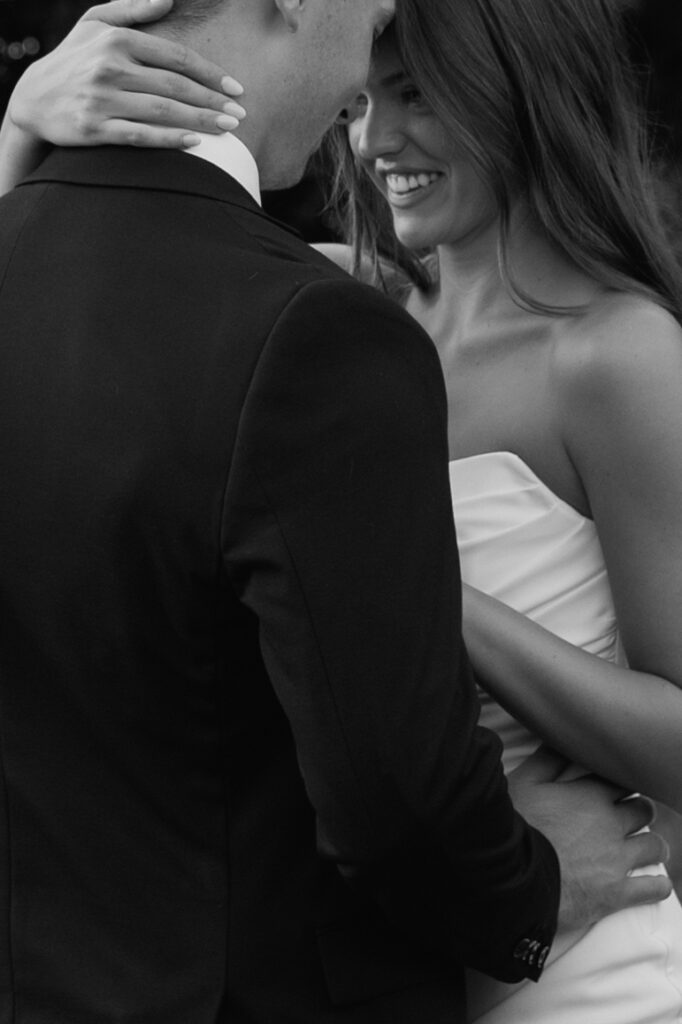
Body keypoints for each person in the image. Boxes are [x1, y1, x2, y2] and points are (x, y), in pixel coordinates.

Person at [0, 0, 674, 1021]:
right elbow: (76, 295)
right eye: (361, 103)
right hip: (403, 939)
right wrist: (21, 125)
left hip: (574, 947)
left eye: (418, 96)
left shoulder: (615, 354)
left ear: (523, 94)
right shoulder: (330, 306)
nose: (372, 140)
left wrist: (405, 594)